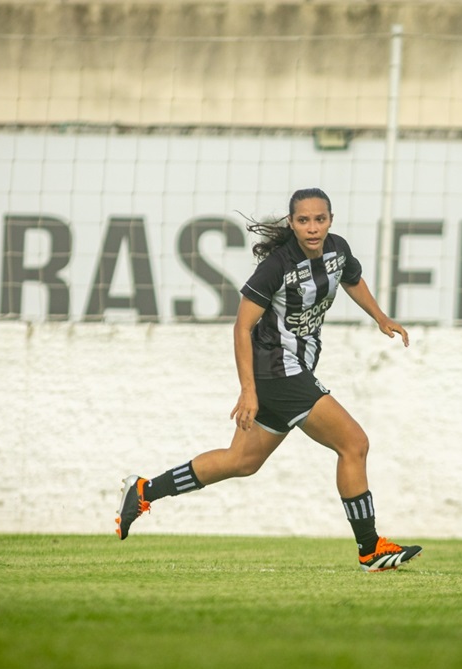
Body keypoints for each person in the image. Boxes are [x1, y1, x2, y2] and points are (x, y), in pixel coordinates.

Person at [116, 187, 422, 572]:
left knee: (241, 461)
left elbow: (352, 278)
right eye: (303, 220)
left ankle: (144, 491)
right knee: (354, 444)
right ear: (292, 223)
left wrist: (380, 316)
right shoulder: (276, 266)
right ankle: (370, 548)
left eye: (320, 219)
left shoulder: (338, 250)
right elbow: (242, 328)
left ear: (331, 220)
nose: (313, 228)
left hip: (295, 370)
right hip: (278, 372)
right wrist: (249, 392)